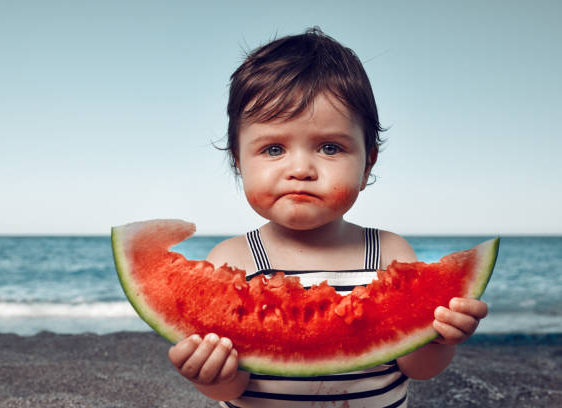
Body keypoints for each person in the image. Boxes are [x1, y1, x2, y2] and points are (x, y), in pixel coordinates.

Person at [167, 28, 488, 407]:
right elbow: (231, 389)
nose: (301, 168)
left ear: (367, 164)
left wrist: (436, 340)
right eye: (273, 149)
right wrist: (210, 374)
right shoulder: (231, 260)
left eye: (330, 147)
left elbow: (416, 366)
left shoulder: (388, 252)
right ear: (238, 162)